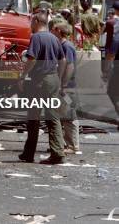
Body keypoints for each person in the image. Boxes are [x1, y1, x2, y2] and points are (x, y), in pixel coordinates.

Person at [18, 10, 66, 164]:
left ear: (37, 21)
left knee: (33, 117)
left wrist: (22, 75)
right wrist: (59, 77)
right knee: (53, 116)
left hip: (39, 81)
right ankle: (57, 152)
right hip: (52, 79)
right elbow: (63, 59)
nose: (30, 25)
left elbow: (31, 59)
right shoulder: (54, 38)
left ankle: (30, 153)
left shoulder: (36, 37)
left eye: (32, 22)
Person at [52, 22, 79, 154]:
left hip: (67, 88)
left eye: (53, 30)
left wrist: (63, 85)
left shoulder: (66, 47)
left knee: (69, 116)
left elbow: (70, 66)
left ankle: (72, 145)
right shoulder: (63, 45)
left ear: (58, 31)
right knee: (64, 114)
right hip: (65, 87)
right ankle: (65, 144)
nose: (51, 32)